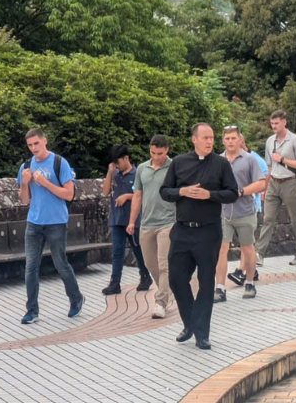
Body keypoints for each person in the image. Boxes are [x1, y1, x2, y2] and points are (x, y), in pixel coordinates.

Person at [161, 123, 239, 351]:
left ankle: (201, 334)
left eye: (211, 137)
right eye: (205, 137)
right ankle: (190, 323)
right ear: (194, 139)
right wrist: (181, 191)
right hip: (182, 230)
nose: (209, 141)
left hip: (208, 232)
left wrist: (209, 195)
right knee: (176, 278)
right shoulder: (179, 162)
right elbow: (164, 191)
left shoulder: (221, 164)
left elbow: (232, 193)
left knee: (206, 282)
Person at [16, 128, 84, 324]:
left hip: (56, 222)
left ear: (44, 141)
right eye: (30, 145)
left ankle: (76, 298)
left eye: (36, 143)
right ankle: (32, 311)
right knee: (30, 267)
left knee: (60, 263)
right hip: (34, 223)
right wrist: (24, 183)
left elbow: (69, 194)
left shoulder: (59, 163)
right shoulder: (25, 166)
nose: (33, 148)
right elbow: (24, 200)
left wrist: (45, 183)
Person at [215, 126, 267, 302]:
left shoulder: (249, 159)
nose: (230, 141)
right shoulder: (217, 160)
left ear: (240, 140)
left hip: (245, 211)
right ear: (223, 141)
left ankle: (250, 282)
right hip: (223, 213)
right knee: (221, 249)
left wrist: (241, 191)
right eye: (227, 138)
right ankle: (220, 287)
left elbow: (261, 183)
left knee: (247, 247)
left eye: (233, 138)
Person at [126, 135, 174, 319]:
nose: (156, 157)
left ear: (166, 150)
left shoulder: (173, 167)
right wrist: (132, 221)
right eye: (153, 153)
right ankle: (168, 290)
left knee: (164, 264)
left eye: (160, 153)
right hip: (146, 223)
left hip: (168, 222)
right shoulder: (142, 168)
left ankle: (161, 302)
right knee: (150, 264)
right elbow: (137, 196)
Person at [256, 110, 296, 266]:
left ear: (284, 122)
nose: (274, 126)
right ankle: (259, 254)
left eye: (277, 123)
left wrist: (282, 159)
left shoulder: (295, 140)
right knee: (267, 219)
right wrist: (264, 187)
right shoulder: (269, 141)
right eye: (272, 123)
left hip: (290, 182)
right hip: (273, 182)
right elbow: (268, 166)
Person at [102, 144, 152, 296]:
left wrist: (126, 196)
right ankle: (115, 282)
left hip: (133, 219)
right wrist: (109, 173)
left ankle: (145, 276)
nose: (117, 166)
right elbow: (105, 191)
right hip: (116, 218)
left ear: (126, 158)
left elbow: (143, 196)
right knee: (117, 251)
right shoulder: (115, 174)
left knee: (138, 249)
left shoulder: (137, 174)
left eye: (118, 162)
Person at [228, 135, 268, 286]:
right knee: (244, 243)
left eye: (234, 140)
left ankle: (240, 271)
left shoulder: (254, 159)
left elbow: (264, 178)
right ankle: (252, 270)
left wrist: (257, 192)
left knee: (246, 243)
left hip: (250, 206)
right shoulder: (227, 159)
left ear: (241, 141)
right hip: (232, 209)